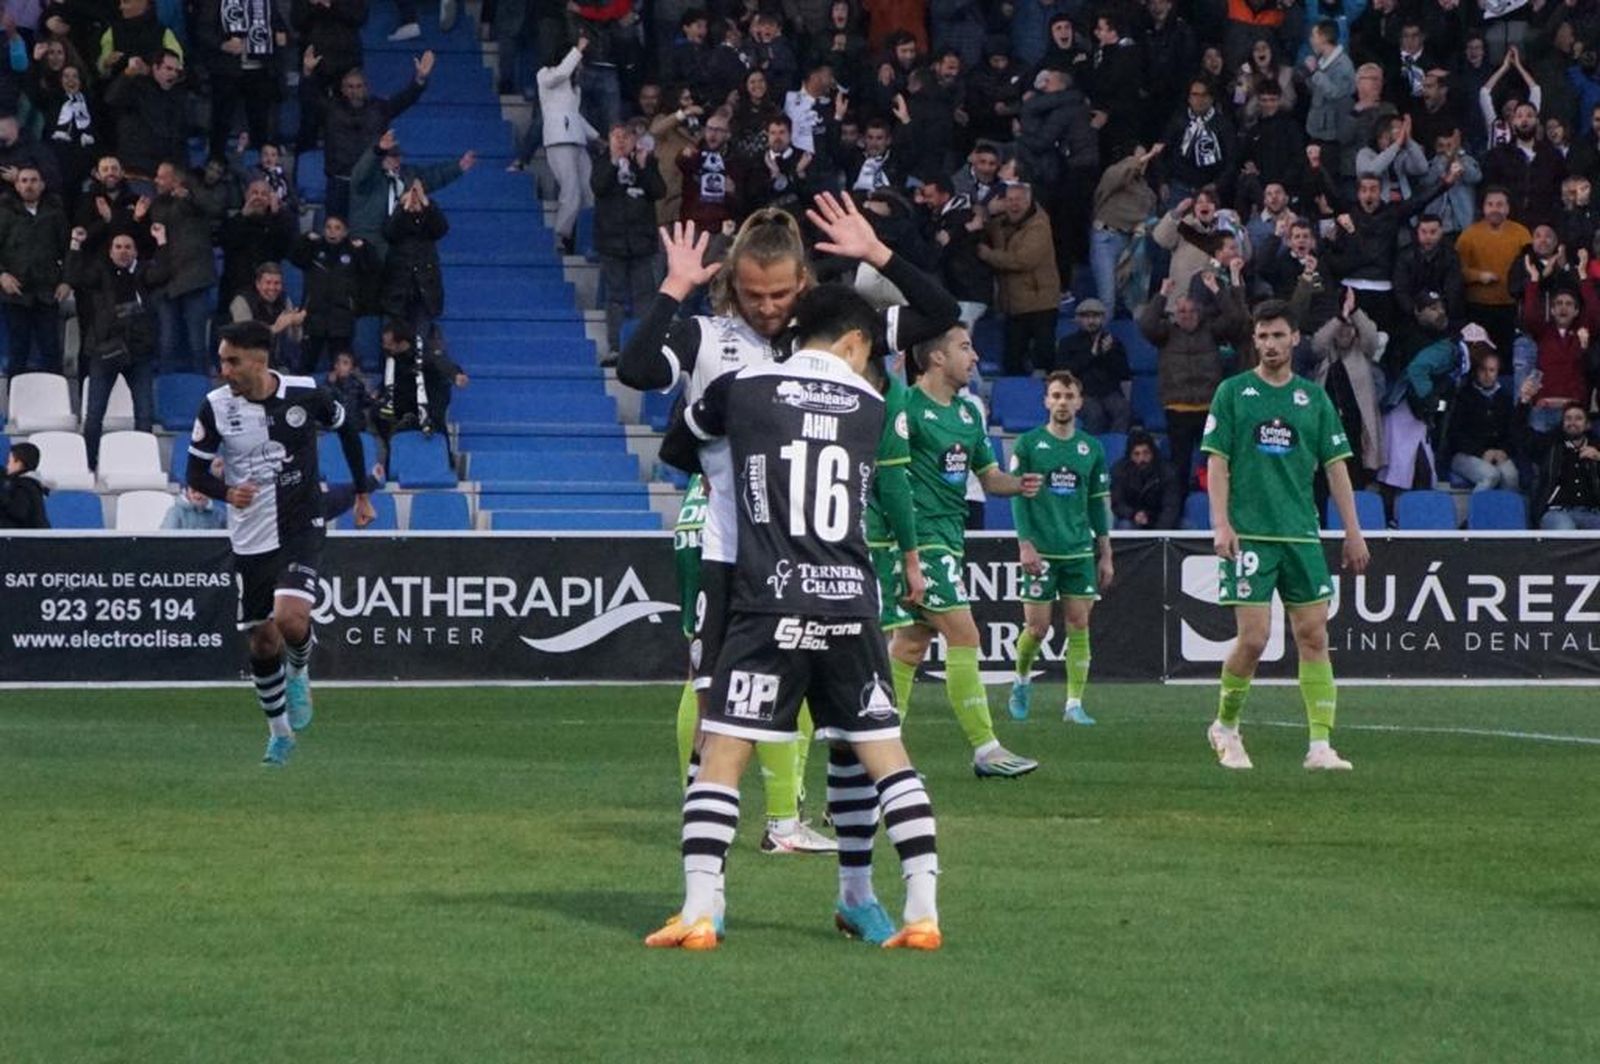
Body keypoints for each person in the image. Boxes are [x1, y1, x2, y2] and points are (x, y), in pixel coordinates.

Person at [621, 195, 951, 851]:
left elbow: (939, 313)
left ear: (801, 283)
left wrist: (878, 253)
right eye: (752, 295)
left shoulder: (829, 337)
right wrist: (673, 288)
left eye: (778, 294)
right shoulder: (707, 337)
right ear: (731, 288)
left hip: (807, 551)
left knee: (811, 704)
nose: (767, 307)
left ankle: (784, 822)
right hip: (727, 547)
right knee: (714, 692)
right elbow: (635, 369)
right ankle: (711, 816)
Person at [646, 284, 943, 952]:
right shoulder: (874, 403)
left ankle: (700, 908)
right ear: (855, 344)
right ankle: (921, 907)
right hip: (849, 601)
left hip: (766, 596)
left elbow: (679, 447)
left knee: (724, 751)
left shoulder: (745, 387)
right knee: (884, 755)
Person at [184, 320, 375, 766]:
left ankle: (301, 668)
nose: (224, 369)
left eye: (231, 360)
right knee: (262, 641)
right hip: (251, 534)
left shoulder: (305, 393)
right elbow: (194, 473)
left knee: (290, 619)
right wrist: (226, 492)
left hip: (299, 523)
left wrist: (362, 491)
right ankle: (280, 734)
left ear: (258, 360)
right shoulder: (214, 407)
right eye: (222, 360)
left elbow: (348, 429)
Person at [1201, 299, 1370, 772]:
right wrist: (1221, 523)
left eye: (1279, 335)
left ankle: (1320, 746)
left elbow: (1336, 469)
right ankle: (1226, 727)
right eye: (1263, 336)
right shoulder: (1233, 393)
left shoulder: (1312, 399)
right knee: (1253, 639)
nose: (1271, 344)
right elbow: (1217, 461)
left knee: (1314, 636)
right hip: (1250, 534)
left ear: (1295, 338)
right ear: (1253, 340)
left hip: (1301, 535)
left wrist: (1353, 533)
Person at [889, 323, 1042, 778]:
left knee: (910, 647)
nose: (974, 357)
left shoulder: (969, 413)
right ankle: (986, 748)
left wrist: (1019, 485)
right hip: (920, 541)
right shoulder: (905, 407)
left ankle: (878, 751)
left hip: (949, 540)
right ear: (936, 357)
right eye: (965, 347)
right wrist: (902, 549)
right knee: (966, 635)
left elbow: (988, 476)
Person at [1006, 371, 1112, 725]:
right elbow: (1019, 499)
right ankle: (1021, 681)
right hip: (1042, 551)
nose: (1063, 402)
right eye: (1056, 395)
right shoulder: (1029, 445)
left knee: (1078, 624)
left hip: (1079, 551)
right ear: (1046, 401)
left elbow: (1098, 503)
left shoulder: (1091, 448)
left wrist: (1106, 552)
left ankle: (1074, 704)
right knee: (1036, 629)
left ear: (1079, 402)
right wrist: (1026, 545)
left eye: (1069, 395)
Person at [68, 224, 170, 471]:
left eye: (128, 247)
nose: (123, 252)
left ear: (135, 252)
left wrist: (162, 242)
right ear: (110, 252)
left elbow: (165, 273)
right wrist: (75, 245)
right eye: (118, 247)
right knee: (94, 416)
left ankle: (142, 464)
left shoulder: (144, 272)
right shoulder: (100, 272)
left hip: (139, 354)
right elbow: (74, 277)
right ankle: (89, 465)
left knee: (144, 415)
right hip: (105, 352)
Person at [592, 122, 665, 364]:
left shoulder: (645, 161)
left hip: (642, 243)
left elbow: (658, 191)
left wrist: (644, 168)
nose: (621, 141)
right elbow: (598, 187)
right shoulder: (602, 161)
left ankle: (644, 349)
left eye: (626, 136)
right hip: (612, 243)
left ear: (635, 139)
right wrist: (614, 164)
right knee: (615, 298)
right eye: (616, 136)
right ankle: (615, 348)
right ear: (609, 139)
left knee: (645, 297)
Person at [977, 181, 1058, 376]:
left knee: (1044, 359)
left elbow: (1022, 261)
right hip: (1013, 306)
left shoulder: (1039, 225)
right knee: (1012, 361)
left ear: (1029, 201)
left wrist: (987, 255)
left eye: (1019, 200)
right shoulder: (1001, 223)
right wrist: (985, 211)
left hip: (1041, 304)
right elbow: (983, 224)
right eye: (1010, 200)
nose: (1014, 204)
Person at [0, 166, 71, 376]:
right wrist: (2, 275)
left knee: (51, 351)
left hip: (47, 293)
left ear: (42, 185)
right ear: (16, 185)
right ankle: (16, 404)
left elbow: (69, 249)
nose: (28, 185)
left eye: (33, 180)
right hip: (16, 293)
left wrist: (66, 280)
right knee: (18, 351)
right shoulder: (4, 213)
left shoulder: (55, 213)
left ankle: (55, 403)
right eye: (23, 180)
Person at [538, 35, 598, 257]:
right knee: (570, 191)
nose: (580, 63)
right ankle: (560, 236)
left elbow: (576, 117)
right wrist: (578, 49)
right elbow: (562, 72)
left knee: (589, 190)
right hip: (558, 140)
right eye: (577, 58)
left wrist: (597, 137)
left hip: (577, 140)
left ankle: (586, 237)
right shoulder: (545, 75)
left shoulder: (575, 88)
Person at [1051, 298, 1131, 433]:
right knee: (1094, 414)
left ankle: (1117, 449)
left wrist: (1108, 354)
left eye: (1095, 316)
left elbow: (1124, 373)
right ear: (1077, 319)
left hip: (1109, 392)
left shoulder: (1113, 343)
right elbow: (1062, 373)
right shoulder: (1067, 343)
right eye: (1086, 317)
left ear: (1103, 319)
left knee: (1123, 410)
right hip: (1081, 393)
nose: (1091, 321)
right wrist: (1091, 355)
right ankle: (1092, 451)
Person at [1447, 349, 1519, 493]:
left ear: (1498, 372)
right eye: (1483, 369)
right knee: (1490, 476)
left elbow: (1512, 431)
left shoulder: (1504, 398)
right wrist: (1481, 452)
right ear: (1476, 371)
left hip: (1498, 454)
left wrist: (1503, 451)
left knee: (1511, 476)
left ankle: (1506, 514)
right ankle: (1477, 515)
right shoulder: (1463, 397)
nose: (1487, 375)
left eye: (1492, 370)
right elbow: (1454, 435)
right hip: (1465, 454)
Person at [1533, 403, 1600, 529]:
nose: (1572, 422)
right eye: (1568, 418)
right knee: (1566, 531)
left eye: (1578, 418)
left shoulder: (1596, 448)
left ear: (1587, 425)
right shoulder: (1550, 447)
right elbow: (1521, 435)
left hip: (1592, 513)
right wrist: (1524, 402)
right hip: (1557, 512)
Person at [1110, 430, 1182, 530]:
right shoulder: (1119, 471)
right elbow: (1117, 503)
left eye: (1146, 453)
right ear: (1130, 456)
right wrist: (1133, 514)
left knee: (1187, 526)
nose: (1142, 459)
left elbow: (1171, 507)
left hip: (1160, 519)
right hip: (1133, 519)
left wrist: (1158, 535)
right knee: (1125, 526)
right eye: (1136, 454)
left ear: (1153, 453)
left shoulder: (1168, 472)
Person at [0, 442, 50, 529]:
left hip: (32, 539)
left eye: (9, 462)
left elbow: (17, 512)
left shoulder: (26, 486)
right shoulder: (27, 483)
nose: (7, 466)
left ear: (19, 463)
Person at [161, 485, 227, 529]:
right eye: (194, 492)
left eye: (202, 491)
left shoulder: (220, 514)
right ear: (187, 494)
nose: (198, 496)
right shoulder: (175, 512)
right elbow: (166, 541)